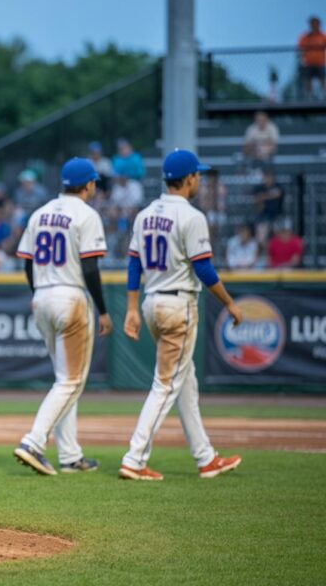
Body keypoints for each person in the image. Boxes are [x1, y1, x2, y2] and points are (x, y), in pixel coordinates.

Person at [120, 149, 244, 481]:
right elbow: (202, 267)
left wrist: (131, 307)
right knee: (165, 384)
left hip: (151, 303)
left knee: (185, 383)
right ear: (189, 178)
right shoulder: (191, 216)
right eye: (197, 175)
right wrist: (229, 303)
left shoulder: (144, 214)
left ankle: (205, 458)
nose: (199, 180)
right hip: (178, 306)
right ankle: (134, 458)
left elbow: (134, 263)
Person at [13, 158, 111, 476]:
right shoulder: (86, 214)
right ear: (88, 185)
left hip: (42, 297)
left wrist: (37, 293)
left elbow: (27, 263)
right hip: (70, 296)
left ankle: (69, 455)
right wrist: (104, 310)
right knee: (71, 381)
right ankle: (33, 442)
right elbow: (91, 267)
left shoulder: (40, 213)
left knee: (63, 380)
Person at [252, 170, 284, 243]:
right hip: (263, 215)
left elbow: (278, 193)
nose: (268, 180)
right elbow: (257, 202)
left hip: (277, 215)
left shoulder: (278, 186)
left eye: (270, 178)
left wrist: (263, 196)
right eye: (266, 177)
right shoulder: (259, 188)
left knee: (279, 235)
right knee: (261, 237)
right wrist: (269, 196)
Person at [298, 16, 326, 99]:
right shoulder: (305, 37)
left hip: (320, 63)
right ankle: (309, 97)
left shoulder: (323, 36)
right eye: (312, 23)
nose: (314, 25)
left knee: (323, 79)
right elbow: (300, 49)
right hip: (308, 63)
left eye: (315, 23)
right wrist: (301, 59)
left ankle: (324, 95)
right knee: (307, 79)